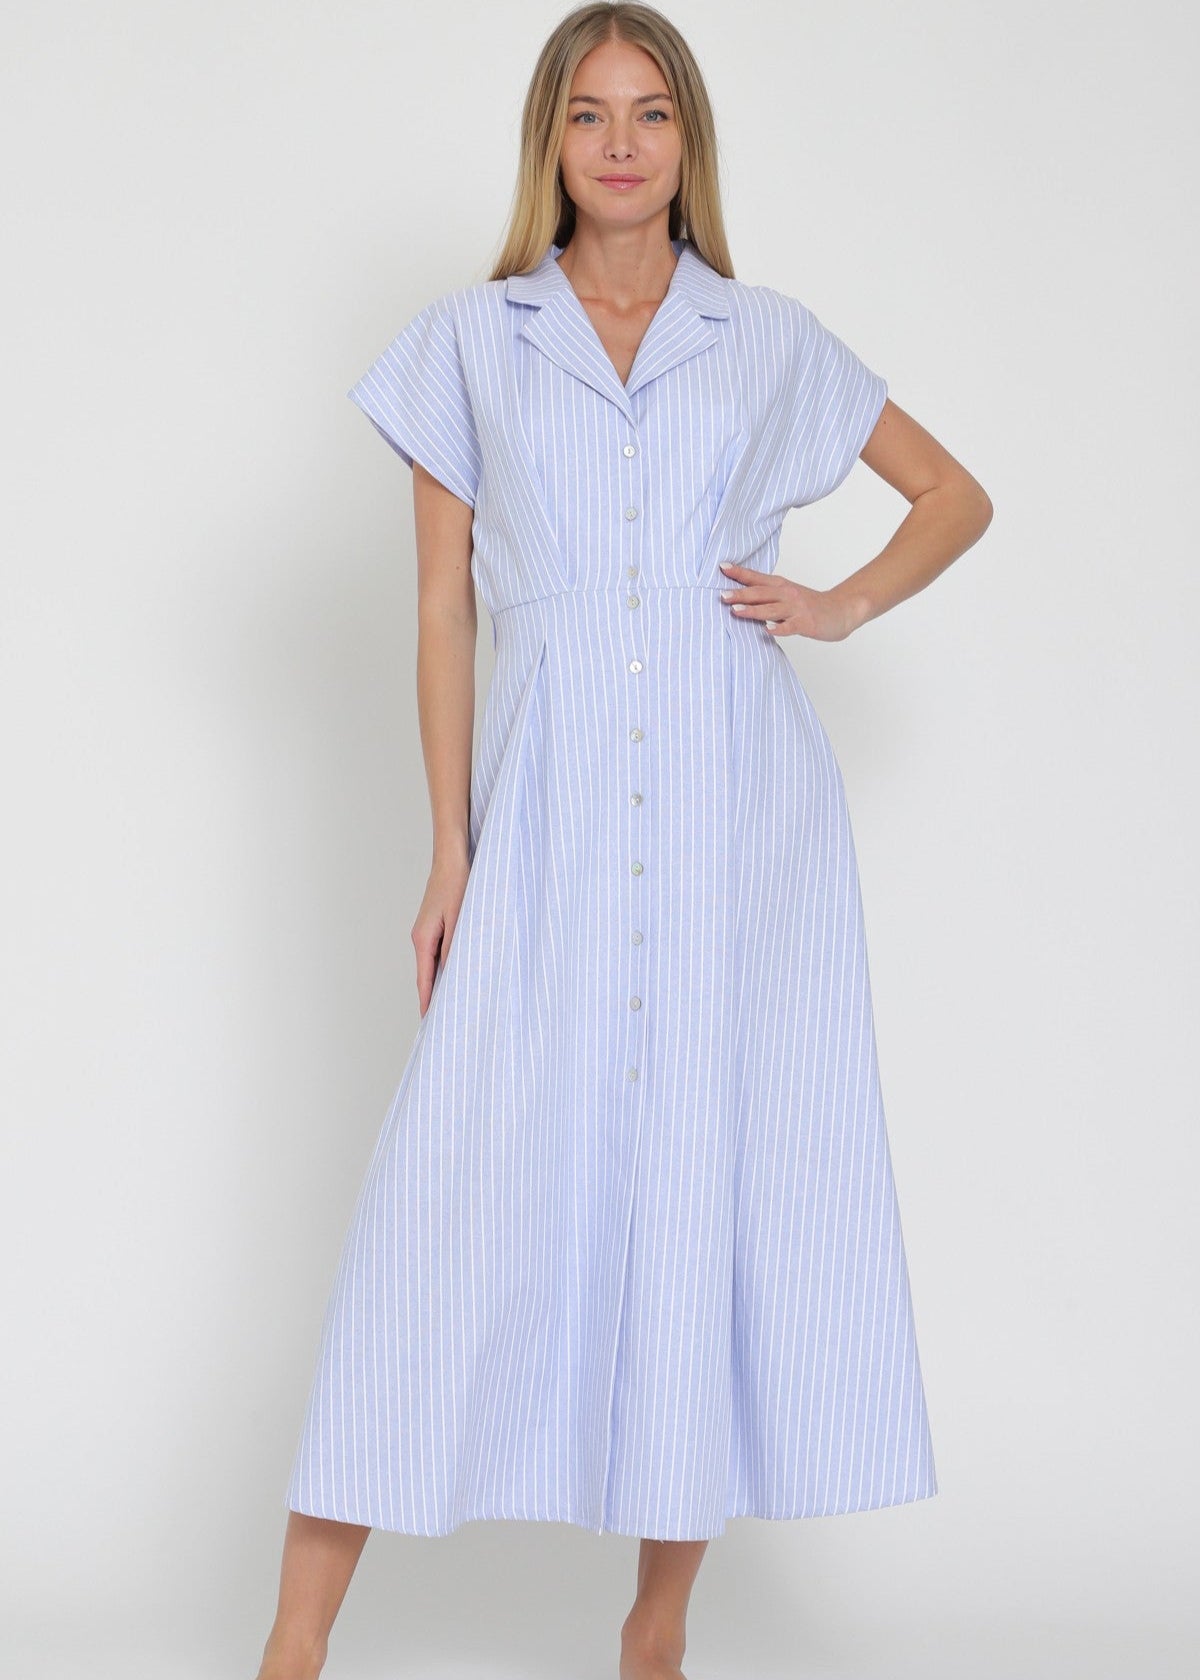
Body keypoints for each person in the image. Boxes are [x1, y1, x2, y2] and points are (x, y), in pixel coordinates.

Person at [254, 5, 992, 1678]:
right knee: (438, 1208)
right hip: (551, 820)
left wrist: (844, 600)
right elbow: (441, 610)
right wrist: (452, 854)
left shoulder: (767, 336)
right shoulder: (470, 339)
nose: (622, 145)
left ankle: (655, 1631)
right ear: (551, 145)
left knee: (695, 1189)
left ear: (688, 142)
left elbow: (952, 493)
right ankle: (289, 1653)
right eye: (589, 115)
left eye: (652, 114)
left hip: (744, 827)